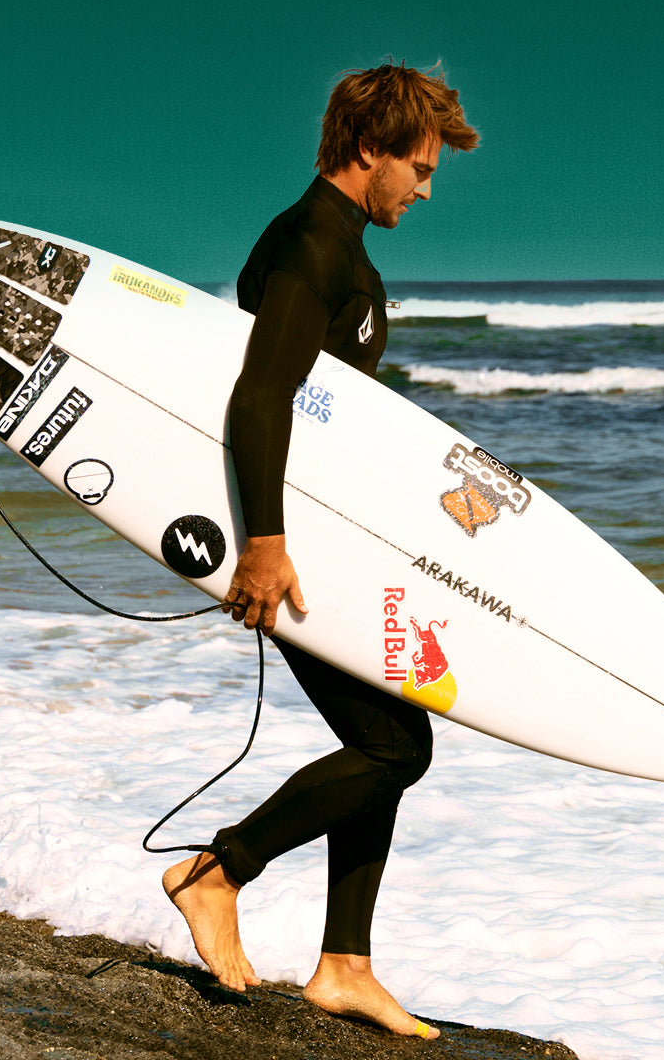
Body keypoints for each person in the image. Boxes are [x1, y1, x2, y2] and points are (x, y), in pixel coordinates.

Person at [163, 61, 478, 1040]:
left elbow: (326, 409)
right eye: (418, 167)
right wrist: (262, 543)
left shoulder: (339, 247)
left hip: (325, 535)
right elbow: (261, 393)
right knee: (395, 744)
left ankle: (345, 963)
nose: (425, 190)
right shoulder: (310, 248)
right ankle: (217, 872)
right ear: (368, 148)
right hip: (288, 540)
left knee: (391, 734)